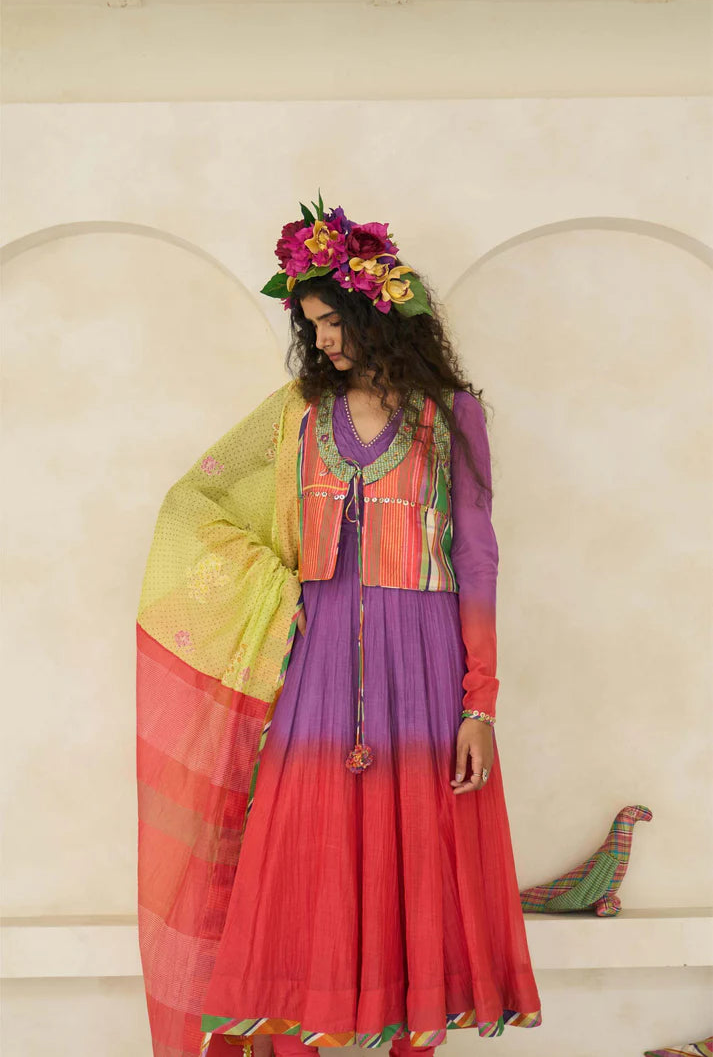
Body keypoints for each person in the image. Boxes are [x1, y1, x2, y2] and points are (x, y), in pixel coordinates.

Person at [136, 192, 542, 1057]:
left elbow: (476, 557)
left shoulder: (449, 414)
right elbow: (199, 499)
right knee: (306, 850)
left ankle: (405, 1038)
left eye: (331, 320)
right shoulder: (296, 415)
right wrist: (272, 591)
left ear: (375, 311)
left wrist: (479, 702)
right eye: (311, 324)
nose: (320, 340)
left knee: (417, 853)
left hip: (424, 662)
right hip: (316, 658)